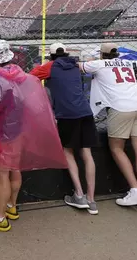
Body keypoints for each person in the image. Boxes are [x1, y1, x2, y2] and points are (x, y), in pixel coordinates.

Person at [0, 40, 66, 232]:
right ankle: (10, 206)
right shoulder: (25, 77)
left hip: (0, 135)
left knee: (2, 177)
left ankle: (0, 217)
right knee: (15, 169)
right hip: (18, 132)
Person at [80, 43, 137, 208]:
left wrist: (93, 59)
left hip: (121, 107)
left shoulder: (97, 64)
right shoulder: (127, 63)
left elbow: (78, 66)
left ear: (102, 54)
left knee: (116, 148)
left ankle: (135, 190)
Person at [30, 43, 99, 215]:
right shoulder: (76, 66)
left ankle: (79, 194)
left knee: (68, 151)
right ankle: (91, 200)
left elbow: (30, 77)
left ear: (52, 56)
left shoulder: (50, 66)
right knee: (87, 153)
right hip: (85, 111)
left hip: (67, 114)